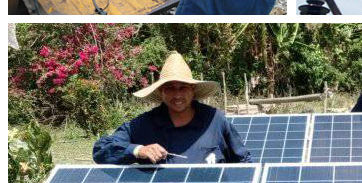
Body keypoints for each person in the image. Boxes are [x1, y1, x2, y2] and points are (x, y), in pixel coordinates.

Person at [93, 52, 252, 164]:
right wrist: (138, 150)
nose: (177, 95)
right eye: (170, 88)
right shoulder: (144, 125)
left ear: (192, 90)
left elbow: (242, 161)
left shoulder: (215, 120)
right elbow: (101, 150)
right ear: (161, 92)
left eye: (183, 87)